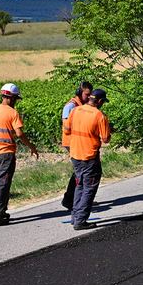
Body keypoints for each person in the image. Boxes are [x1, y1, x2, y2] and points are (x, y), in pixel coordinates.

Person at [0, 83, 40, 227]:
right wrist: (31, 146)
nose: (16, 102)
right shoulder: (13, 113)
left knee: (0, 183)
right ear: (11, 98)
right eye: (16, 99)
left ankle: (2, 212)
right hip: (6, 154)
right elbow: (19, 133)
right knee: (3, 184)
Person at [64, 88, 111, 230]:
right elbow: (105, 139)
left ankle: (75, 216)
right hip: (89, 157)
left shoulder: (75, 110)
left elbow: (67, 130)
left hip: (75, 154)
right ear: (100, 101)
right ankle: (80, 220)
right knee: (89, 188)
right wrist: (108, 130)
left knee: (80, 185)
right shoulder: (100, 116)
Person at [60, 81, 93, 211]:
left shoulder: (83, 105)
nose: (89, 97)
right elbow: (66, 125)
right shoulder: (70, 106)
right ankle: (70, 199)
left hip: (80, 142)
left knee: (82, 171)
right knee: (81, 171)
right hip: (72, 142)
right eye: (87, 94)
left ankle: (80, 198)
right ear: (79, 92)